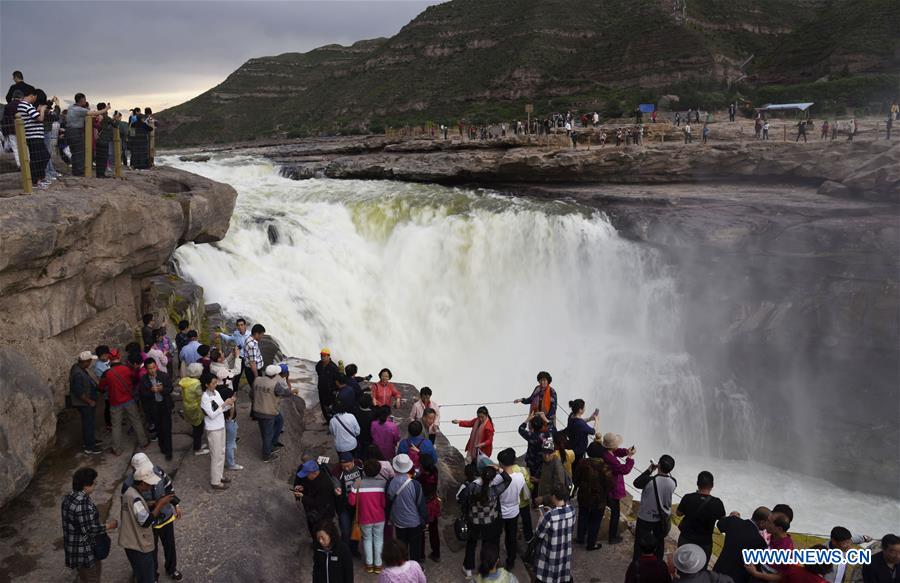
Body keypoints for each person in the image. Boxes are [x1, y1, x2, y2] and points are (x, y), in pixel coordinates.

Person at [121, 453, 183, 582]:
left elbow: (169, 488)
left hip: (166, 518)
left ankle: (172, 569)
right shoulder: (128, 486)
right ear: (133, 469)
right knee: (150, 551)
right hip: (148, 523)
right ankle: (153, 575)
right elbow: (131, 507)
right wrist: (155, 504)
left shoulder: (158, 471)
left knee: (170, 546)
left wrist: (176, 504)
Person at [62, 467, 117, 582]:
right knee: (92, 578)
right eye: (94, 483)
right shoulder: (82, 505)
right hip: (85, 551)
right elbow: (89, 530)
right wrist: (108, 526)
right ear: (86, 486)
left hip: (74, 547)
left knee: (86, 577)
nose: (95, 485)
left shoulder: (69, 497)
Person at [461, 464, 512, 578]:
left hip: (474, 521)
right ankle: (486, 566)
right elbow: (508, 480)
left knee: (471, 544)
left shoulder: (472, 487)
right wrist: (499, 469)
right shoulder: (494, 490)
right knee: (487, 544)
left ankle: (468, 569)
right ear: (493, 479)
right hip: (490, 523)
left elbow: (463, 498)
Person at [100, 350, 149, 456]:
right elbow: (134, 380)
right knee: (136, 420)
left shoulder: (107, 374)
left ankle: (117, 449)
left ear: (109, 359)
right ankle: (143, 442)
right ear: (120, 356)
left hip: (115, 402)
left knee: (116, 426)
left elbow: (101, 387)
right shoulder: (127, 369)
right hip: (129, 399)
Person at [632, 454, 677, 560]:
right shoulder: (673, 482)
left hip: (645, 518)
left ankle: (638, 566)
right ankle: (657, 565)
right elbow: (666, 479)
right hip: (661, 519)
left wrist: (650, 469)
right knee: (659, 543)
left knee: (640, 543)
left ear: (659, 465)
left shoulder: (649, 480)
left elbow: (636, 483)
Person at [676, 471, 726, 564]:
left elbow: (678, 513)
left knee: (682, 564)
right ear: (712, 485)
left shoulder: (688, 497)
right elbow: (723, 521)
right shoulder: (717, 503)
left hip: (686, 538)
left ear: (697, 484)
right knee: (701, 568)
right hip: (704, 542)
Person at [349, 459, 389, 574]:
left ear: (364, 471)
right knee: (379, 539)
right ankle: (378, 565)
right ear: (378, 471)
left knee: (367, 539)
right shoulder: (383, 484)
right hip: (379, 517)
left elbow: (351, 502)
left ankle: (369, 564)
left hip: (364, 518)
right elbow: (384, 504)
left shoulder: (358, 483)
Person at [386, 454, 426, 564]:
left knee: (402, 546)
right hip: (414, 522)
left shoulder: (390, 483)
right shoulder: (416, 484)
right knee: (415, 548)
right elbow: (421, 505)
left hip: (398, 521)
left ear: (395, 467)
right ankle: (415, 567)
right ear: (409, 467)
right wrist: (424, 520)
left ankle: (403, 566)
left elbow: (389, 499)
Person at [532, 485, 576, 583]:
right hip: (565, 551)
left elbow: (539, 534)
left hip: (550, 552)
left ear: (554, 496)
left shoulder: (549, 516)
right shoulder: (572, 510)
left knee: (547, 576)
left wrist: (541, 518)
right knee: (562, 573)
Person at [714, 507, 770, 583]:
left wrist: (731, 517)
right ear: (762, 522)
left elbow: (720, 524)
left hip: (718, 570)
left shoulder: (734, 521)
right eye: (768, 522)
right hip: (736, 579)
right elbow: (757, 566)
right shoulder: (760, 542)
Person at [574, 441, 612, 551]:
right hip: (598, 500)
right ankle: (591, 544)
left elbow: (576, 479)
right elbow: (610, 485)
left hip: (584, 496)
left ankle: (580, 538)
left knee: (583, 516)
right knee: (595, 521)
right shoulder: (605, 467)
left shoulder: (582, 463)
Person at [200, 371, 234, 490]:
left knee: (222, 452)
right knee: (216, 455)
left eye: (216, 382)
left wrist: (229, 404)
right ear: (206, 385)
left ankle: (219, 475)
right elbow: (211, 414)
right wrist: (224, 405)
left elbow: (221, 408)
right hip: (213, 428)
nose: (216, 384)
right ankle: (215, 481)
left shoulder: (216, 392)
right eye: (213, 383)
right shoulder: (205, 398)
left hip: (220, 425)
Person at [497, 448, 529, 570]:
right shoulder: (520, 477)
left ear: (500, 463)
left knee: (496, 536)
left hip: (500, 512)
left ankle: (495, 560)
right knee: (511, 537)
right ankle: (511, 561)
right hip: (514, 511)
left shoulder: (498, 479)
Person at [252, 364, 293, 461]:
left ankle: (272, 443)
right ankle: (267, 455)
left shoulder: (257, 380)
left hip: (258, 410)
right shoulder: (274, 384)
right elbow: (284, 393)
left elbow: (251, 395)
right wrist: (292, 391)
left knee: (278, 422)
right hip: (269, 412)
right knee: (268, 433)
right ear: (275, 374)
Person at [600, 432, 634, 544]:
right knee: (615, 513)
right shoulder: (611, 460)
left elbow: (616, 452)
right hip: (612, 489)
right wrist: (629, 458)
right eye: (617, 445)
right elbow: (624, 470)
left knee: (610, 510)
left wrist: (626, 451)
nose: (618, 446)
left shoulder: (605, 452)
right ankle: (612, 537)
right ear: (613, 446)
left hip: (607, 487)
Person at [292, 460, 339, 540]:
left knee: (324, 534)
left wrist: (302, 497)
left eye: (306, 474)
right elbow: (307, 485)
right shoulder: (309, 475)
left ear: (314, 473)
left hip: (324, 513)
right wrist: (302, 488)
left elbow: (317, 503)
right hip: (312, 511)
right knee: (313, 530)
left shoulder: (325, 484)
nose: (305, 477)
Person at [139, 359, 174, 461]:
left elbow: (170, 389)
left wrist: (162, 389)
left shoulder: (163, 375)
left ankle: (169, 452)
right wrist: (151, 391)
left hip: (165, 405)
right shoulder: (144, 380)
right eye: (150, 368)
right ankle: (162, 447)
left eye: (154, 367)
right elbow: (143, 394)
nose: (152, 370)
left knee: (167, 429)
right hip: (154, 407)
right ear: (146, 369)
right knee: (159, 429)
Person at [331, 452, 364, 557]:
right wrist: (337, 490)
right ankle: (345, 553)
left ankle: (354, 549)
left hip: (358, 505)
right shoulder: (337, 471)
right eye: (343, 466)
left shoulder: (359, 465)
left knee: (356, 528)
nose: (345, 468)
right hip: (344, 505)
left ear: (353, 461)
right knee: (345, 530)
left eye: (348, 466)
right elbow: (335, 483)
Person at [17, 86, 51, 188]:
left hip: (35, 135)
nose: (35, 100)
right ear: (32, 95)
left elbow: (33, 117)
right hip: (33, 136)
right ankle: (36, 181)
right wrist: (43, 110)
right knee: (41, 158)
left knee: (41, 157)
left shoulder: (25, 106)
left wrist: (38, 110)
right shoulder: (26, 105)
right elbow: (40, 118)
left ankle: (39, 179)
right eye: (35, 97)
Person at [746, 512, 795, 582]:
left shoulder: (785, 550)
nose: (765, 524)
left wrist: (755, 573)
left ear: (779, 529)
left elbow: (779, 577)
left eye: (769, 522)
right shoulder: (774, 536)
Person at [211, 364, 243, 471]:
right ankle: (231, 464)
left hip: (218, 420)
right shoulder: (229, 391)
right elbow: (231, 406)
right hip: (228, 420)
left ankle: (219, 461)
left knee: (221, 442)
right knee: (230, 442)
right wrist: (231, 416)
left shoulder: (214, 392)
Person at [70, 351, 102, 455]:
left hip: (86, 402)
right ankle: (89, 446)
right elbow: (78, 391)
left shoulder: (79, 368)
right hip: (84, 404)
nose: (91, 363)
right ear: (86, 361)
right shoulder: (78, 374)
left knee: (89, 423)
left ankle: (90, 440)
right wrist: (90, 401)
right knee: (88, 424)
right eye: (90, 361)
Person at [416, 455, 442, 562]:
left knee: (421, 531)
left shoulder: (420, 478)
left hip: (423, 505)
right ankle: (436, 553)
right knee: (433, 529)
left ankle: (421, 555)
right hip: (433, 502)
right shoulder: (435, 472)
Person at [179, 363, 208, 455]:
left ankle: (197, 445)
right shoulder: (196, 384)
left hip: (187, 406)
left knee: (194, 426)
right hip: (196, 408)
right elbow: (200, 396)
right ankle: (197, 449)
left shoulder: (184, 381)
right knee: (198, 429)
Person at [217, 318, 250, 391]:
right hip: (240, 358)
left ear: (245, 326)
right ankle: (234, 392)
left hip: (248, 358)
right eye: (238, 325)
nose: (240, 327)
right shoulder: (236, 334)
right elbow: (229, 339)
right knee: (237, 376)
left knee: (249, 376)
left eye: (242, 325)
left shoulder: (250, 334)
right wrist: (220, 334)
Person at [316, 348, 340, 420]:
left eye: (324, 355)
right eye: (321, 355)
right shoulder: (319, 365)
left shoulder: (333, 367)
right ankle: (327, 420)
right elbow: (318, 372)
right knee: (323, 406)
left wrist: (335, 390)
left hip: (330, 392)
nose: (322, 357)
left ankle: (332, 421)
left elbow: (337, 379)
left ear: (329, 356)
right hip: (321, 389)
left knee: (330, 406)